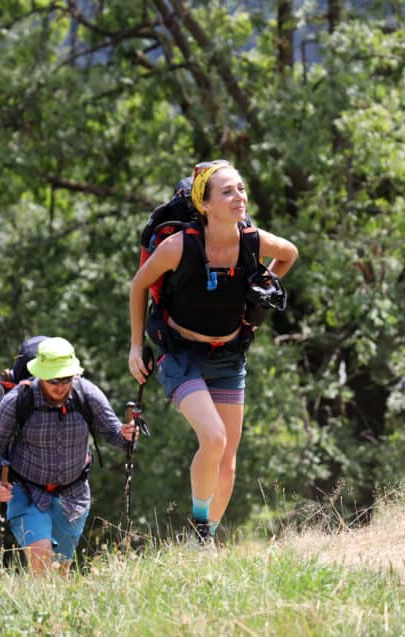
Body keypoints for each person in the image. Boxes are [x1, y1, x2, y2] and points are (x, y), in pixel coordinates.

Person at [129, 160, 298, 546]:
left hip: (229, 356)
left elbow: (289, 253)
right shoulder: (179, 246)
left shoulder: (252, 240)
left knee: (228, 463)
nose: (239, 197)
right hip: (180, 353)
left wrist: (265, 281)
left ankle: (203, 543)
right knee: (214, 438)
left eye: (240, 188)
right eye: (227, 191)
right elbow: (139, 286)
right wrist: (136, 346)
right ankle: (201, 525)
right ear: (205, 205)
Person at [0, 337, 140, 577]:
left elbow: (114, 435)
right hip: (27, 492)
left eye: (66, 379)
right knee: (41, 561)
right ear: (40, 375)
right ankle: (39, 613)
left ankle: (52, 612)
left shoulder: (87, 394)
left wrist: (128, 434)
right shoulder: (16, 401)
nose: (59, 386)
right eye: (53, 380)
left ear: (74, 376)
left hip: (73, 496)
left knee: (60, 572)